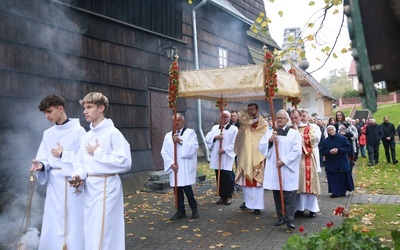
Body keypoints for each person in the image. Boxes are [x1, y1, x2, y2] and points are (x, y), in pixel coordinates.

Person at [71, 92, 132, 250]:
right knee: (90, 229)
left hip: (107, 186)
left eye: (89, 107)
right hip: (90, 188)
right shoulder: (86, 136)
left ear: (101, 108)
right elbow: (81, 162)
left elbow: (125, 163)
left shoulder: (113, 133)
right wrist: (78, 175)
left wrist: (98, 152)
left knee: (103, 230)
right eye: (84, 107)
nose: (85, 111)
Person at [30, 94, 85, 250]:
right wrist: (40, 165)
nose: (47, 116)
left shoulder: (78, 131)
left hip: (72, 182)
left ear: (60, 109)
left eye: (49, 111)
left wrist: (63, 155)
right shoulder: (48, 134)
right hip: (54, 184)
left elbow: (85, 160)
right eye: (45, 113)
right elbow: (45, 159)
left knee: (72, 220)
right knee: (54, 219)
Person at [258, 110, 302, 229]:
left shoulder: (294, 133)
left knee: (289, 194)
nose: (279, 120)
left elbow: (297, 151)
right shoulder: (270, 133)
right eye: (277, 118)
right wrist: (270, 141)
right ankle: (280, 217)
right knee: (277, 193)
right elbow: (261, 147)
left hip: (287, 168)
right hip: (275, 167)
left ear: (287, 120)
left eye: (282, 118)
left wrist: (284, 161)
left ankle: (290, 219)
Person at [161, 113, 199, 220]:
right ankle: (180, 211)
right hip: (174, 167)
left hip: (184, 166)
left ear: (183, 122)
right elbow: (164, 151)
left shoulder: (190, 133)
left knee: (187, 189)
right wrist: (170, 163)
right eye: (174, 121)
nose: (176, 123)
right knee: (177, 191)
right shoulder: (168, 135)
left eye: (178, 120)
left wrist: (180, 141)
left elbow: (194, 146)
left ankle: (194, 208)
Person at [234, 103, 269, 215]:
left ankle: (257, 206)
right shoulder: (244, 124)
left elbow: (264, 136)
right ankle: (248, 202)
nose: (250, 111)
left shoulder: (263, 124)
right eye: (248, 109)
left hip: (257, 155)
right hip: (245, 155)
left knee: (257, 183)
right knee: (245, 181)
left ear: (257, 110)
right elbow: (240, 138)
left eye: (252, 109)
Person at [291, 109, 321, 219]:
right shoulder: (290, 129)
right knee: (297, 185)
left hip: (306, 159)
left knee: (308, 184)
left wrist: (297, 134)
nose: (294, 120)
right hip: (294, 162)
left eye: (296, 118)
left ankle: (312, 208)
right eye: (292, 118)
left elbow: (314, 140)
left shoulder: (309, 128)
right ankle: (299, 208)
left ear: (300, 117)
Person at [205, 111, 238, 205]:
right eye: (223, 117)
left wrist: (225, 149)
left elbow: (235, 142)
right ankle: (222, 196)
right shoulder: (215, 128)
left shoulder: (233, 129)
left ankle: (228, 196)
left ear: (230, 118)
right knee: (219, 176)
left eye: (227, 117)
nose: (225, 119)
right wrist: (215, 138)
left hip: (226, 156)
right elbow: (208, 139)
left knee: (226, 176)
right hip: (217, 155)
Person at [320, 125, 354, 198]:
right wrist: (329, 151)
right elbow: (322, 150)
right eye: (329, 130)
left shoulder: (342, 138)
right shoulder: (325, 141)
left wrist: (339, 150)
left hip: (342, 161)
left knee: (342, 177)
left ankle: (342, 191)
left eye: (332, 130)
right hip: (331, 162)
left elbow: (348, 148)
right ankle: (334, 192)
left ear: (335, 130)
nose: (331, 131)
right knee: (333, 178)